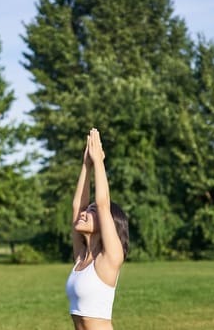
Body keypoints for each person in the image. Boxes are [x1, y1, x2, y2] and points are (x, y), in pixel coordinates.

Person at [66, 128, 129, 330]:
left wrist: (99, 162)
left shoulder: (110, 258)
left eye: (91, 212)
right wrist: (86, 164)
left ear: (106, 222)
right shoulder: (81, 256)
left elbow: (102, 203)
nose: (84, 213)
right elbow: (77, 207)